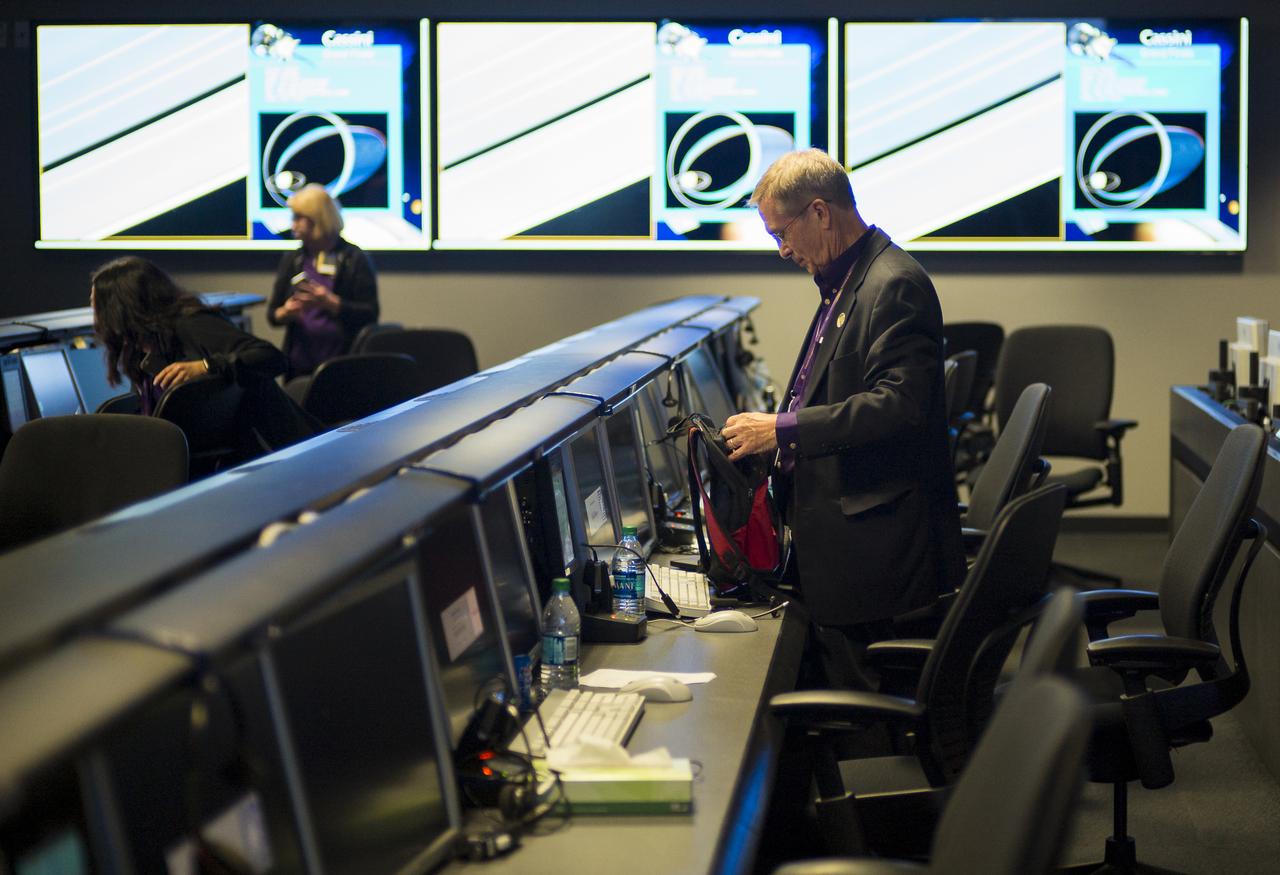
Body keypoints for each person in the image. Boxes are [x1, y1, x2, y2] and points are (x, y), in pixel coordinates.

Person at [721, 149, 964, 685]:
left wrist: (780, 430)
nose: (782, 250)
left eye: (781, 233)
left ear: (820, 213)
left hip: (871, 542)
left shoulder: (893, 282)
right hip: (838, 519)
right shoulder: (847, 281)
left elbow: (899, 405)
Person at [91, 256, 315, 454]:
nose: (94, 314)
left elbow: (271, 357)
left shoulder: (191, 323)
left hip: (267, 452)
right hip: (206, 456)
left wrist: (207, 366)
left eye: (97, 305)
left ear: (120, 307)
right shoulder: (140, 347)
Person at [267, 184, 379, 379]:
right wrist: (287, 311)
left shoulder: (353, 258)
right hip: (299, 365)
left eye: (298, 219)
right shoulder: (293, 259)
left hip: (342, 367)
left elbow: (370, 314)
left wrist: (330, 302)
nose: (293, 225)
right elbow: (273, 314)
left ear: (318, 220)